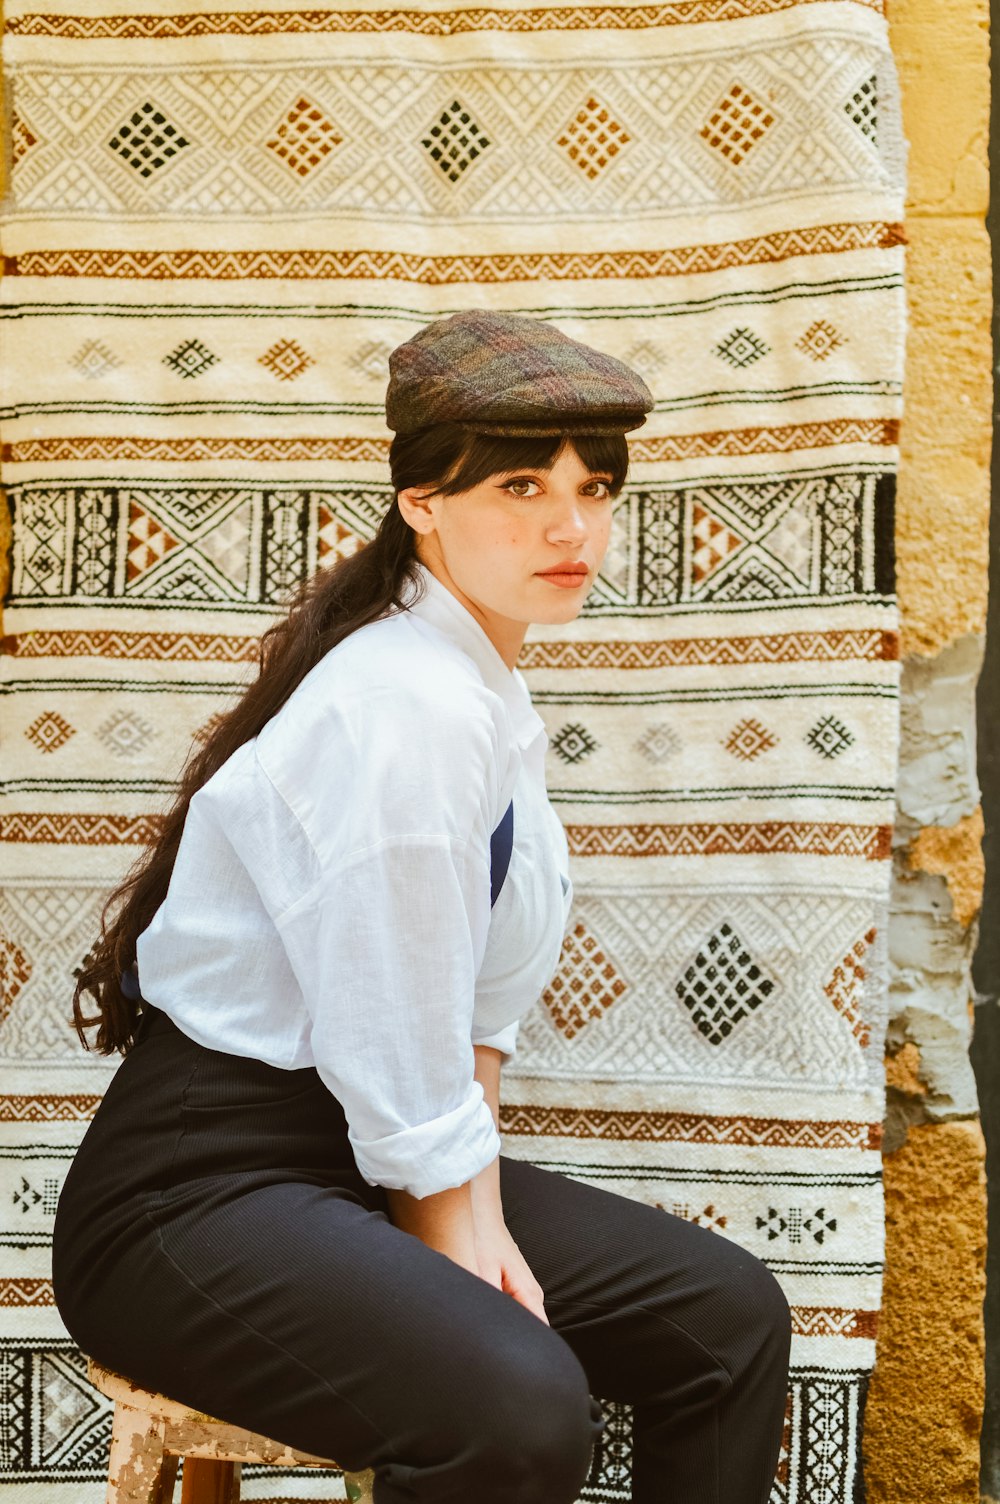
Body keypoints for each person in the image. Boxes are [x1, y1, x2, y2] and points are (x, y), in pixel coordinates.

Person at [53, 309, 791, 1504]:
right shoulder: (403, 704)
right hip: (190, 1201)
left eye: (594, 487)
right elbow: (390, 1030)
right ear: (420, 502)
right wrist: (454, 1247)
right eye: (518, 484)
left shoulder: (480, 695)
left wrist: (475, 1213)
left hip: (352, 1163)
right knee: (517, 1408)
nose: (571, 525)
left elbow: (471, 1030)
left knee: (724, 1320)